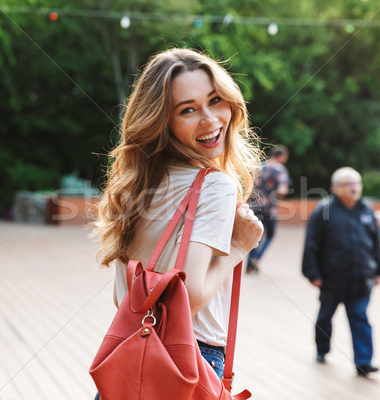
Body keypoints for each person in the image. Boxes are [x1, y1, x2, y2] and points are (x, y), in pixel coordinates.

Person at [94, 48, 264, 397]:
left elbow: (122, 297)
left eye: (216, 100)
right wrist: (239, 247)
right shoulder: (214, 185)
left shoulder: (136, 184)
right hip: (186, 362)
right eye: (188, 110)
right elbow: (190, 299)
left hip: (130, 363)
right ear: (163, 121)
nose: (210, 119)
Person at [302, 167, 380, 377]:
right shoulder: (324, 210)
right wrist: (313, 273)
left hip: (360, 278)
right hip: (332, 278)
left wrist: (379, 269)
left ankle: (363, 361)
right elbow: (311, 244)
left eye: (357, 183)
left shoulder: (366, 209)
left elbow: (376, 242)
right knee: (325, 316)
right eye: (349, 184)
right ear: (335, 188)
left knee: (360, 316)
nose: (355, 188)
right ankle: (322, 349)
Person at [246, 145, 291, 273]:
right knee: (270, 235)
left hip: (254, 207)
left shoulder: (259, 167)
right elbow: (282, 190)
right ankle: (256, 258)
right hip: (270, 209)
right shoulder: (281, 170)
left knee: (255, 235)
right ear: (282, 156)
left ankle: (250, 260)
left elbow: (249, 186)